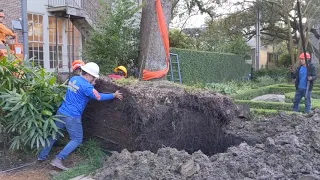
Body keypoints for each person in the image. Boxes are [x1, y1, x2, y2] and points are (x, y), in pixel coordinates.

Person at [37, 62, 123, 170]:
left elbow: (81, 91)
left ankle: (41, 156)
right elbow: (99, 97)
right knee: (77, 139)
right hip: (72, 116)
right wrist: (113, 95)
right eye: (94, 77)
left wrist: (90, 86)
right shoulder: (87, 87)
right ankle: (58, 159)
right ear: (89, 75)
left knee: (54, 135)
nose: (94, 80)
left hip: (61, 112)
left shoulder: (74, 79)